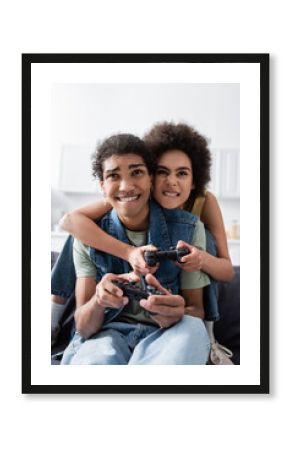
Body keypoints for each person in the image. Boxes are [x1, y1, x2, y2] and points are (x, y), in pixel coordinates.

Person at [52, 122, 234, 364]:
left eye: (182, 173)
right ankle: (53, 314)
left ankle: (209, 335)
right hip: (108, 326)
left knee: (202, 246)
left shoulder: (198, 212)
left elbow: (224, 273)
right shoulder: (116, 202)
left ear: (194, 180)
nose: (171, 182)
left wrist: (200, 261)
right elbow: (72, 220)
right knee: (82, 230)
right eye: (163, 172)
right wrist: (127, 255)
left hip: (176, 318)